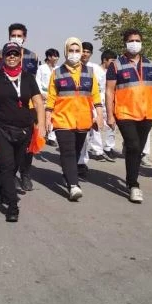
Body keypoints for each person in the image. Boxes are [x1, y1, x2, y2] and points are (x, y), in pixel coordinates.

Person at [0, 42, 45, 222]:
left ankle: (3, 188)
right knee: (6, 165)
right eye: (9, 54)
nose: (12, 57)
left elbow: (38, 102)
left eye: (15, 54)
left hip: (23, 130)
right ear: (3, 57)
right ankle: (13, 206)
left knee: (16, 164)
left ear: (20, 57)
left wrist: (42, 125)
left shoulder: (28, 78)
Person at [105, 29, 152, 204]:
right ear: (125, 43)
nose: (134, 43)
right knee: (134, 146)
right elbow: (109, 91)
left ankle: (131, 173)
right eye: (131, 40)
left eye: (137, 40)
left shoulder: (151, 65)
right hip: (124, 113)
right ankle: (133, 185)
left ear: (141, 43)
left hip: (147, 113)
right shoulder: (116, 65)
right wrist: (110, 115)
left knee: (137, 150)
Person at [44, 38, 104, 202]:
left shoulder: (89, 72)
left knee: (76, 151)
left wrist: (99, 115)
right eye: (71, 50)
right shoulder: (57, 73)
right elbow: (51, 98)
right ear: (65, 52)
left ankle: (67, 174)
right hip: (62, 118)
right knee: (68, 151)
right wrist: (47, 117)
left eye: (77, 51)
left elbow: (95, 96)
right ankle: (73, 185)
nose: (75, 54)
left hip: (83, 119)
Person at [76, 42, 112, 167]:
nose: (85, 54)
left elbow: (103, 88)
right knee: (81, 134)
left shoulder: (96, 69)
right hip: (78, 104)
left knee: (94, 130)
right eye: (83, 51)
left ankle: (95, 153)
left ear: (91, 54)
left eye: (88, 52)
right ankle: (80, 161)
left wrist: (100, 110)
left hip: (95, 104)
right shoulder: (72, 67)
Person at [36, 48, 60, 146]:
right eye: (55, 56)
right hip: (44, 95)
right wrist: (41, 93)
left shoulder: (58, 69)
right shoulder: (41, 68)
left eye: (57, 56)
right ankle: (42, 133)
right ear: (49, 57)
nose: (56, 58)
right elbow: (38, 81)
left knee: (53, 116)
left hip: (55, 95)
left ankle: (51, 137)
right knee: (43, 115)